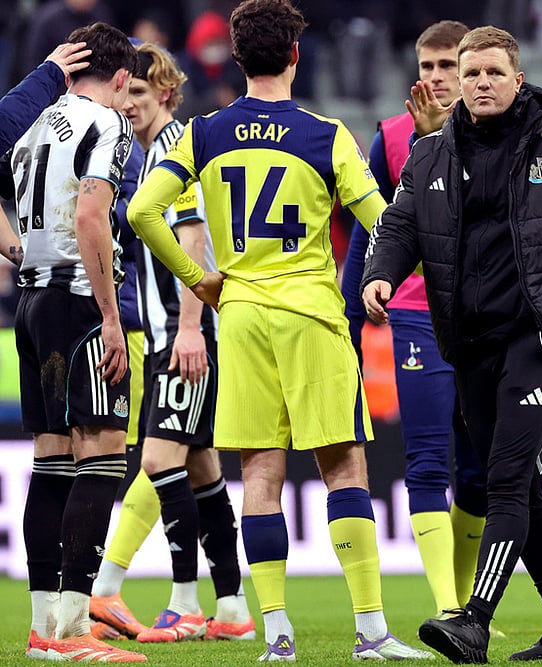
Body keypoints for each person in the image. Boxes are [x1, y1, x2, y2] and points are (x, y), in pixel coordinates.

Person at [126, 0, 432, 660]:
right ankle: (372, 630)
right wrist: (383, 275)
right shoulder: (326, 134)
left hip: (241, 320)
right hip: (314, 317)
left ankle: (278, 633)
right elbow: (383, 220)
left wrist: (202, 278)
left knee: (260, 476)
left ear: (236, 60)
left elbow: (145, 210)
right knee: (344, 470)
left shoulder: (201, 133)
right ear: (296, 56)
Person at [361, 25, 542, 663]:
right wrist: (380, 271)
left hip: (536, 334)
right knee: (516, 483)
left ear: (518, 79)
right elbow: (399, 223)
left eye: (494, 73)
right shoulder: (432, 151)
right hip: (468, 337)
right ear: (457, 83)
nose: (481, 84)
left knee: (504, 478)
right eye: (471, 74)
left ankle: (474, 620)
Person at [89, 41, 255, 644]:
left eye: (140, 91)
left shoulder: (172, 147)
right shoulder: (149, 151)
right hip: (172, 332)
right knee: (203, 469)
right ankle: (232, 608)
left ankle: (183, 601)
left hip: (185, 334)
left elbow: (193, 239)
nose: (128, 102)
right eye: (124, 91)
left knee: (159, 463)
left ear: (166, 92)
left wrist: (189, 327)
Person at [0, 22, 148, 662]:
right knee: (104, 453)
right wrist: (111, 318)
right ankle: (73, 631)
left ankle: (44, 629)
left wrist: (20, 253)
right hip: (79, 304)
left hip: (31, 301)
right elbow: (92, 215)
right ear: (119, 78)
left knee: (52, 459)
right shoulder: (106, 124)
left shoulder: (35, 123)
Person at [339, 20, 493, 620]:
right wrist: (351, 322)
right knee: (428, 459)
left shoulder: (506, 136)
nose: (435, 78)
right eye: (426, 67)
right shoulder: (392, 136)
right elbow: (369, 231)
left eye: (447, 66)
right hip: (416, 315)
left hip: (488, 317)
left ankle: (470, 610)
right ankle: (451, 609)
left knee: (479, 468)